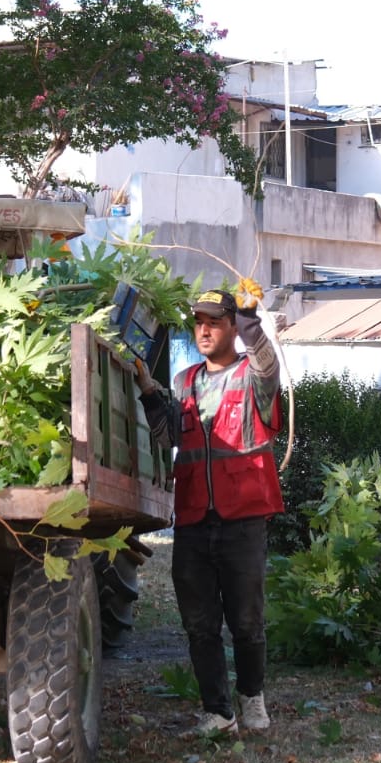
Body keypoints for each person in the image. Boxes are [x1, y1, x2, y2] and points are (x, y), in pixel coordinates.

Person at [147, 286, 284, 737]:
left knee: (246, 620)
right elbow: (169, 437)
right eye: (198, 323)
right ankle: (218, 713)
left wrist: (251, 323)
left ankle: (252, 700)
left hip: (241, 519)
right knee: (199, 624)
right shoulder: (184, 382)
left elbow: (269, 366)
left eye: (214, 322)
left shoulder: (251, 377)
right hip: (191, 521)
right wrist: (149, 392)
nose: (204, 330)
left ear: (230, 328)